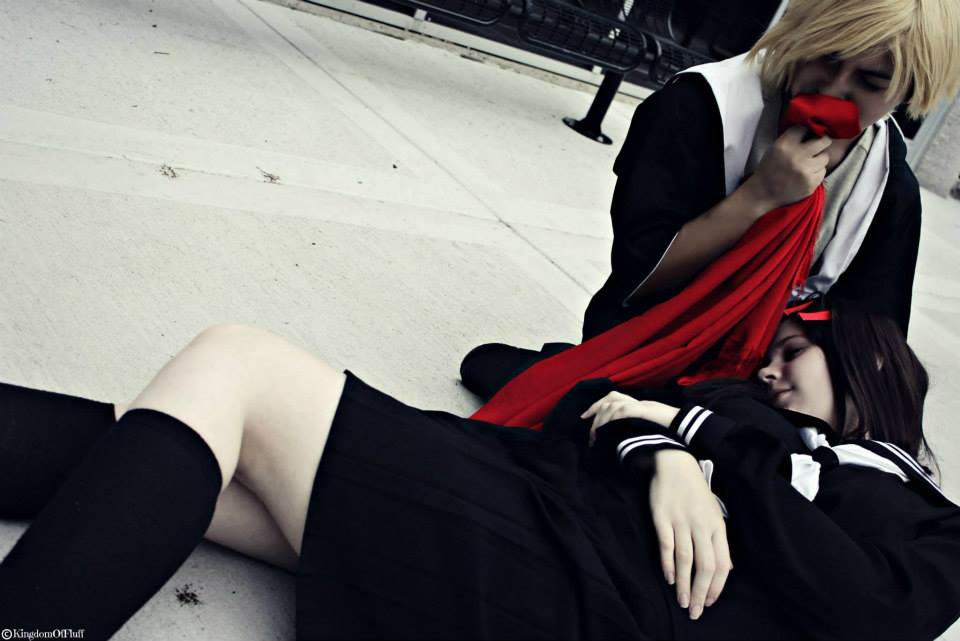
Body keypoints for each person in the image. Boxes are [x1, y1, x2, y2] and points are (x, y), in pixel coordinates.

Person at [1, 302, 959, 639]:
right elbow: (559, 389)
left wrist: (705, 441)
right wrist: (663, 448)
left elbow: (870, 607)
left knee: (235, 364)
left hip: (577, 587)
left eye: (794, 351)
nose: (770, 369)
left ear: (873, 364)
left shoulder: (930, 522)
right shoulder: (741, 411)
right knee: (179, 453)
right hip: (527, 514)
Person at [460, 0, 960, 401]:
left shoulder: (886, 179)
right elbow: (640, 275)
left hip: (772, 380)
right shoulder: (701, 106)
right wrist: (759, 197)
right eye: (824, 57)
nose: (833, 89)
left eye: (871, 82)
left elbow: (872, 332)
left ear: (907, 94)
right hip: (654, 340)